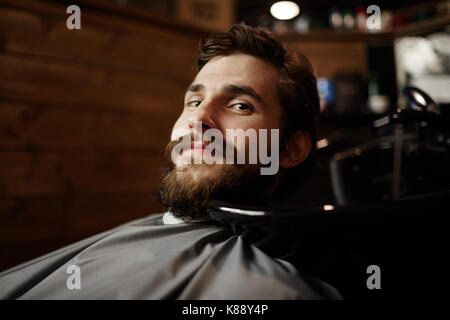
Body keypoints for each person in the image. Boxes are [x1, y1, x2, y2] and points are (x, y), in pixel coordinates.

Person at [0, 24, 341, 299]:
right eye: (193, 102)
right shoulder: (148, 230)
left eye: (240, 105)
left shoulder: (272, 291)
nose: (198, 120)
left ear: (290, 149)